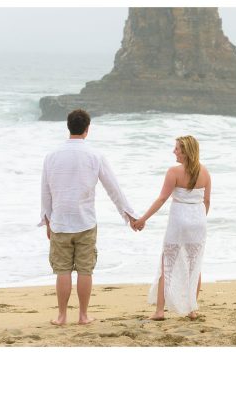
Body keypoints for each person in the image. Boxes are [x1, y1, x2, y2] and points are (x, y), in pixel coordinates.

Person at [40, 109, 138, 326]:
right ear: (87, 129)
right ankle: (83, 316)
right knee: (85, 270)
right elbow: (113, 188)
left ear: (68, 127)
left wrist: (46, 220)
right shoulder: (95, 155)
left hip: (60, 223)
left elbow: (45, 191)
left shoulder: (51, 156)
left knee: (62, 271)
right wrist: (130, 215)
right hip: (85, 222)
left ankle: (62, 316)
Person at [133, 135, 211, 320]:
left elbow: (161, 199)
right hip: (199, 222)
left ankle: (160, 311)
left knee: (167, 265)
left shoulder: (174, 172)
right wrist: (198, 219)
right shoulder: (205, 172)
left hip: (179, 222)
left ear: (185, 152)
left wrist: (143, 219)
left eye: (177, 148)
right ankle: (191, 309)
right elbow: (207, 201)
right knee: (194, 266)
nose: (174, 151)